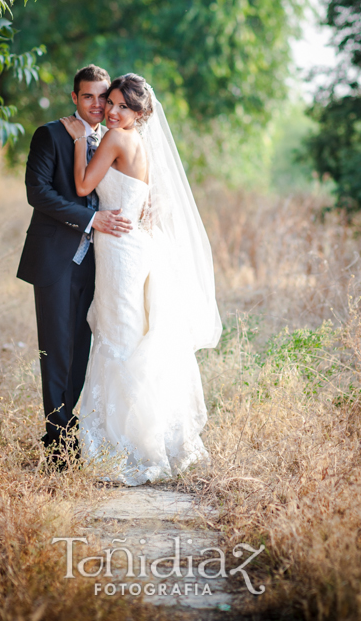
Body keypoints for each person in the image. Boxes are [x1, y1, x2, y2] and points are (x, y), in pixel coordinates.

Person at [60, 73, 222, 485]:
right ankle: (145, 437)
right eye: (110, 103)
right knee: (129, 335)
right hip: (133, 245)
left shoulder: (115, 139)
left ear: (140, 112)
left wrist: (80, 137)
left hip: (118, 251)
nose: (112, 112)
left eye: (123, 107)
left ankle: (124, 445)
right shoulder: (142, 143)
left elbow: (82, 186)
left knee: (118, 338)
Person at [16, 64, 133, 466]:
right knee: (57, 351)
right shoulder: (49, 135)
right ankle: (58, 449)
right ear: (75, 98)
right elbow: (39, 194)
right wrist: (89, 219)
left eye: (104, 97)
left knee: (83, 351)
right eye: (88, 97)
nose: (98, 104)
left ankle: (72, 430)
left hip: (100, 263)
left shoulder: (117, 138)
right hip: (56, 258)